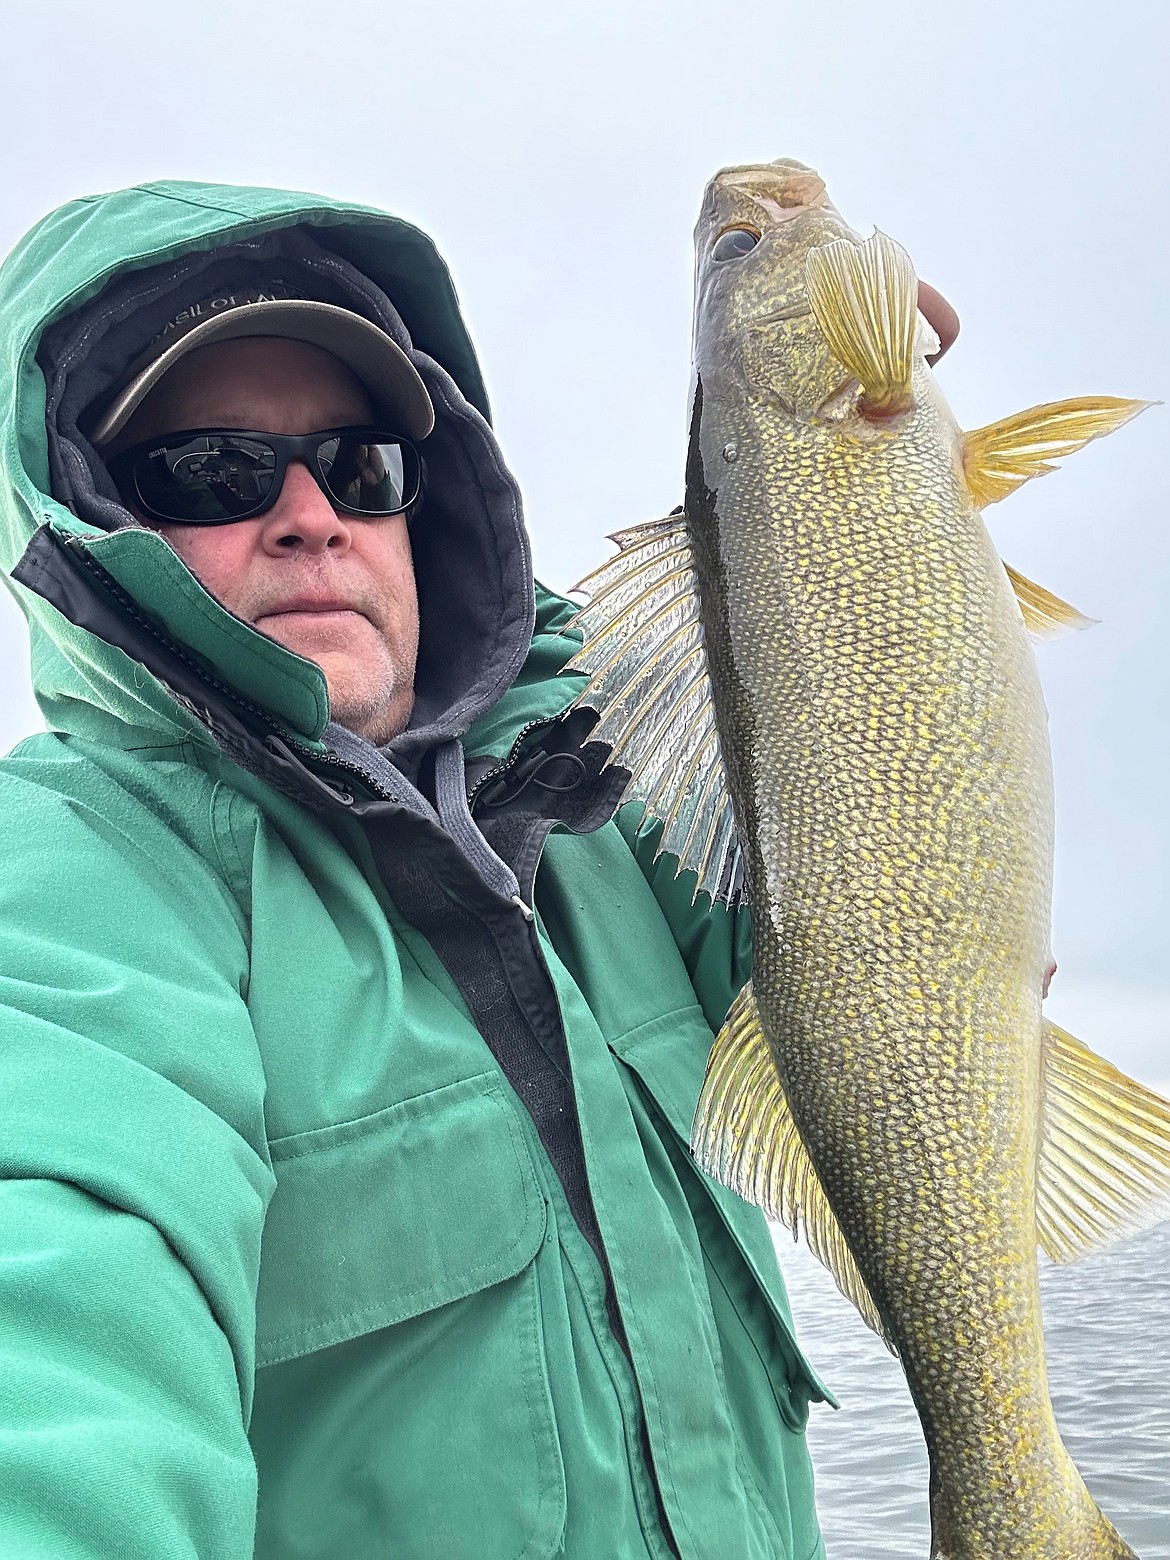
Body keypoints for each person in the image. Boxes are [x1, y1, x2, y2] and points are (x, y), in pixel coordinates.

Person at [0, 178, 957, 1560]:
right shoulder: (70, 885)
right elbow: (55, 1342)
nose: (310, 514)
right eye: (209, 470)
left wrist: (859, 533)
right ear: (89, 517)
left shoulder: (616, 801)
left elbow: (883, 950)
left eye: (362, 466)